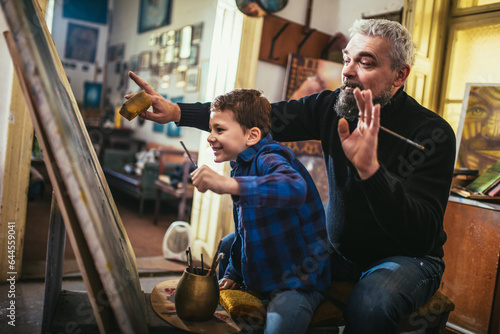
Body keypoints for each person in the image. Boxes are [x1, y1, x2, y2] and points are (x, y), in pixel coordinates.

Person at [127, 18, 456, 333]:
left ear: (399, 75)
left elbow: (420, 235)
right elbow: (257, 118)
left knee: (371, 303)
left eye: (365, 63)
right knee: (231, 246)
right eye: (347, 59)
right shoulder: (333, 106)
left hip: (408, 258)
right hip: (341, 251)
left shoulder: (430, 134)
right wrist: (177, 112)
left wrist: (371, 172)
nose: (347, 71)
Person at [191, 88, 331, 333]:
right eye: (211, 129)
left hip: (299, 279)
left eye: (219, 130)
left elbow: (293, 186)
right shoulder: (241, 164)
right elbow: (246, 228)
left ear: (252, 135)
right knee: (228, 243)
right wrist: (234, 270)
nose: (210, 137)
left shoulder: (269, 156)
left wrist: (228, 184)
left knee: (282, 323)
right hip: (268, 266)